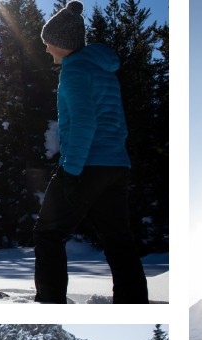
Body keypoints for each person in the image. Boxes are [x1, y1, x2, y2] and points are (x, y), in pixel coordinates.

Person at [34, 1, 149, 304]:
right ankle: (132, 303)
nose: (46, 48)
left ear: (61, 43)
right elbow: (116, 120)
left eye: (48, 42)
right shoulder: (103, 69)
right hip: (116, 166)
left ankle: (50, 303)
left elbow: (85, 122)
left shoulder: (74, 73)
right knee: (119, 242)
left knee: (48, 234)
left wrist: (71, 171)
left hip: (86, 164)